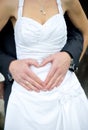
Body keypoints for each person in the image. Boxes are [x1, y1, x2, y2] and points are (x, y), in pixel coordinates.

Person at [0, 0, 88, 129]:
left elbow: (85, 30)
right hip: (26, 94)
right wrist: (10, 65)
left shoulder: (67, 1)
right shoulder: (10, 2)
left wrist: (71, 60)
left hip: (65, 90)